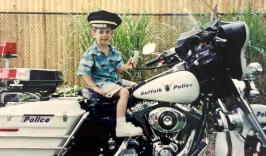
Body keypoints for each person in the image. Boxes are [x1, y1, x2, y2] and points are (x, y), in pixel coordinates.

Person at [77, 10, 143, 137]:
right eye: (101, 32)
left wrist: (127, 66)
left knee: (138, 87)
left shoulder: (114, 52)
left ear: (111, 34)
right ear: (93, 34)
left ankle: (130, 117)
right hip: (101, 83)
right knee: (124, 92)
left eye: (107, 32)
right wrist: (94, 87)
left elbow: (118, 68)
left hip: (114, 81)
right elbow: (84, 72)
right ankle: (121, 126)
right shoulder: (91, 53)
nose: (104, 35)